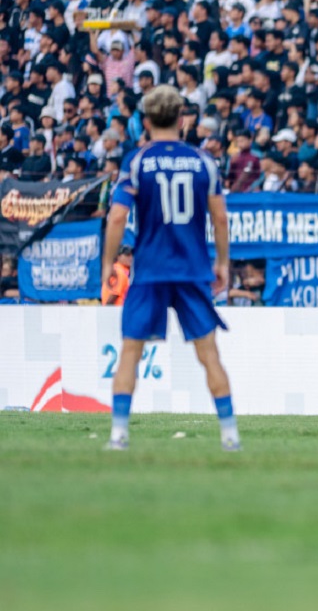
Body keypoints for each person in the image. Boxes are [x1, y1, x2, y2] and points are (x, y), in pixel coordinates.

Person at [100, 85, 237, 452]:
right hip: (192, 269)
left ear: (145, 121)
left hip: (150, 270)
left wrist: (107, 264)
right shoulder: (203, 161)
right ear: (182, 119)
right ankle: (229, 436)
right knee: (208, 353)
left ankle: (118, 435)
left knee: (131, 350)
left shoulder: (137, 161)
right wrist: (222, 263)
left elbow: (116, 219)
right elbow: (220, 219)